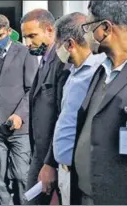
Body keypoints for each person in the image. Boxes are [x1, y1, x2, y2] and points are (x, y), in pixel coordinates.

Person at [70, 1, 127, 204]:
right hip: (88, 193)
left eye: (88, 27)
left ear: (105, 28)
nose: (86, 35)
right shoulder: (103, 70)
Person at [0, 14, 38, 205]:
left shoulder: (25, 53)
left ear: (9, 31)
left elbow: (31, 89)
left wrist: (20, 114)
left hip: (19, 127)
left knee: (22, 175)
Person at [53, 12, 107, 205]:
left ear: (69, 44)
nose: (56, 51)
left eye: (57, 45)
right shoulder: (72, 73)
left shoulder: (98, 73)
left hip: (82, 175)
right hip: (64, 170)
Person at [20, 9, 71, 204]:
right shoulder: (45, 61)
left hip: (50, 156)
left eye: (32, 36)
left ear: (50, 30)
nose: (28, 43)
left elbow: (62, 117)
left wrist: (51, 162)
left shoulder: (62, 64)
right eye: (25, 37)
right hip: (39, 152)